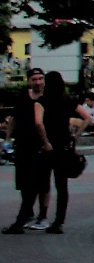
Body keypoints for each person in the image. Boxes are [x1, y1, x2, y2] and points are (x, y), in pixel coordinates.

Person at [4, 67, 49, 233]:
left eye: (40, 79)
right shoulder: (22, 98)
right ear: (29, 81)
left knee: (43, 183)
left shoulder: (48, 98)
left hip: (42, 147)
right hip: (23, 146)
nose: (38, 82)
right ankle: (28, 213)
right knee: (23, 182)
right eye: (34, 79)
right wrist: (8, 140)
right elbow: (13, 120)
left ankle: (42, 215)